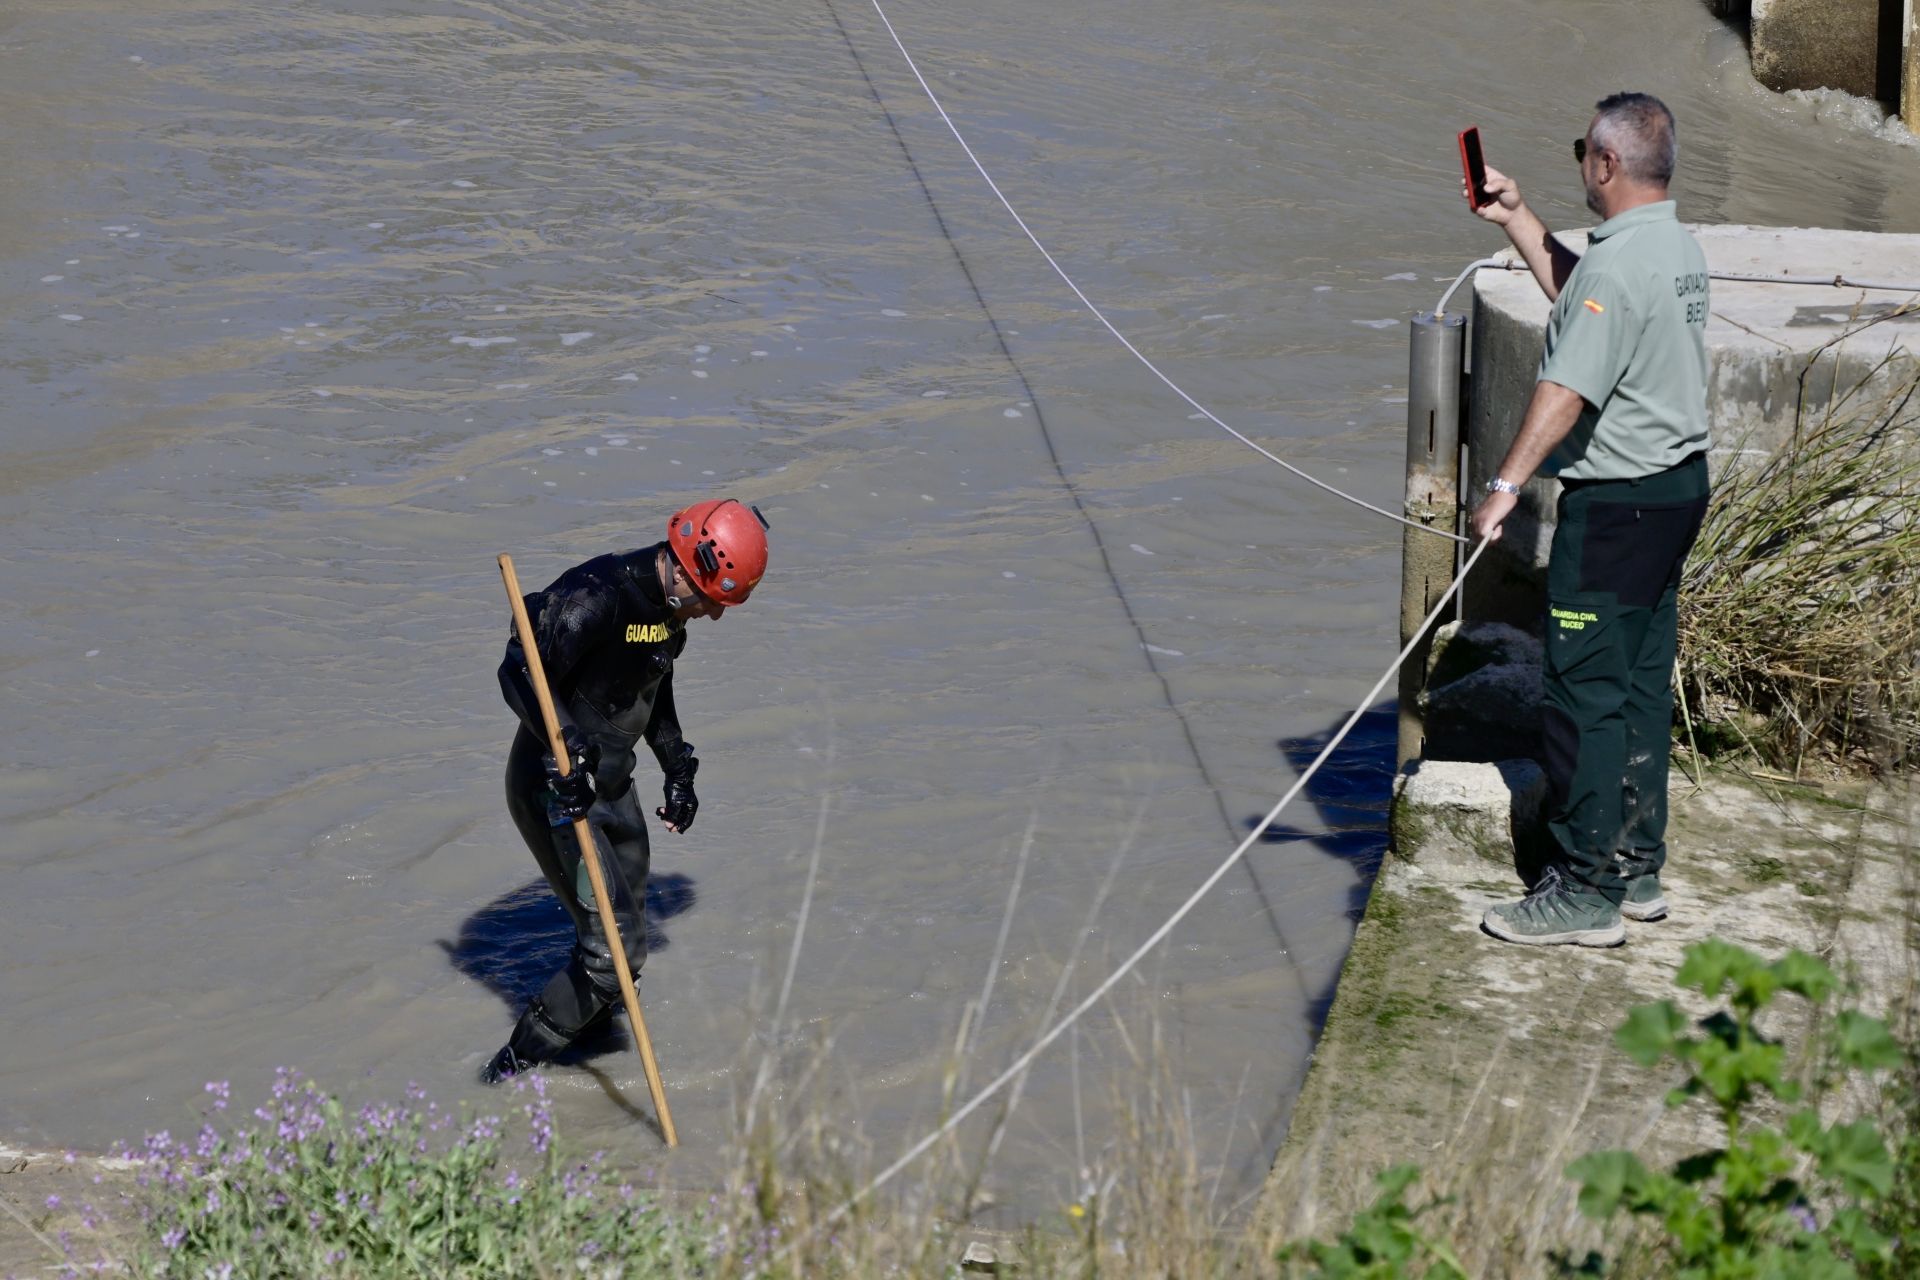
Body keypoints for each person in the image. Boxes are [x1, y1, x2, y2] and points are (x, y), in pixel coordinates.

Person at [1464, 93, 1711, 947]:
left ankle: (1585, 890)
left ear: (1605, 164)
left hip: (1617, 511)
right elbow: (1587, 309)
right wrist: (1517, 217)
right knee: (1640, 681)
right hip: (1678, 491)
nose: (1581, 165)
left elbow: (1565, 388)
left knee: (1582, 695)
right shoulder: (1671, 246)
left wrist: (1504, 485)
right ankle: (1637, 866)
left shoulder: (1617, 268)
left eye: (1583, 152)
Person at [479, 497, 770, 1082]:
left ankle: (585, 1028)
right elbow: (517, 672)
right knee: (612, 958)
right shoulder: (595, 597)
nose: (714, 616)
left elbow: (651, 687)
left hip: (614, 784)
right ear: (691, 565)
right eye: (713, 601)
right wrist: (566, 741)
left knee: (628, 933)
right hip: (559, 790)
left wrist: (677, 765)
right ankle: (506, 1075)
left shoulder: (671, 614)